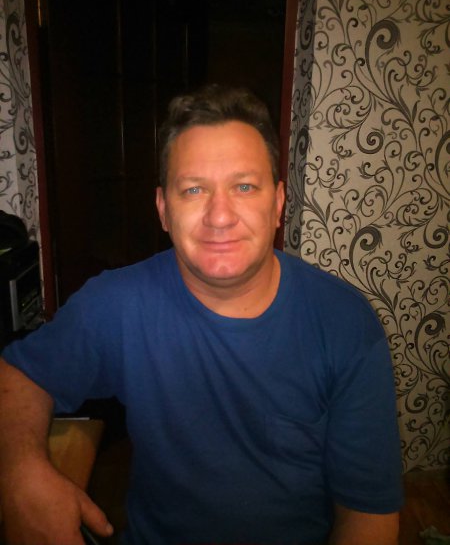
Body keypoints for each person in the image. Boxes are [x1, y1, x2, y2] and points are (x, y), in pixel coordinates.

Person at [0, 84, 403, 545]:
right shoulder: (117, 304)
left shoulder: (345, 324)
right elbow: (17, 377)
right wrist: (20, 471)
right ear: (163, 210)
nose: (219, 216)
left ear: (277, 204)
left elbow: (368, 517)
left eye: (244, 186)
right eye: (193, 190)